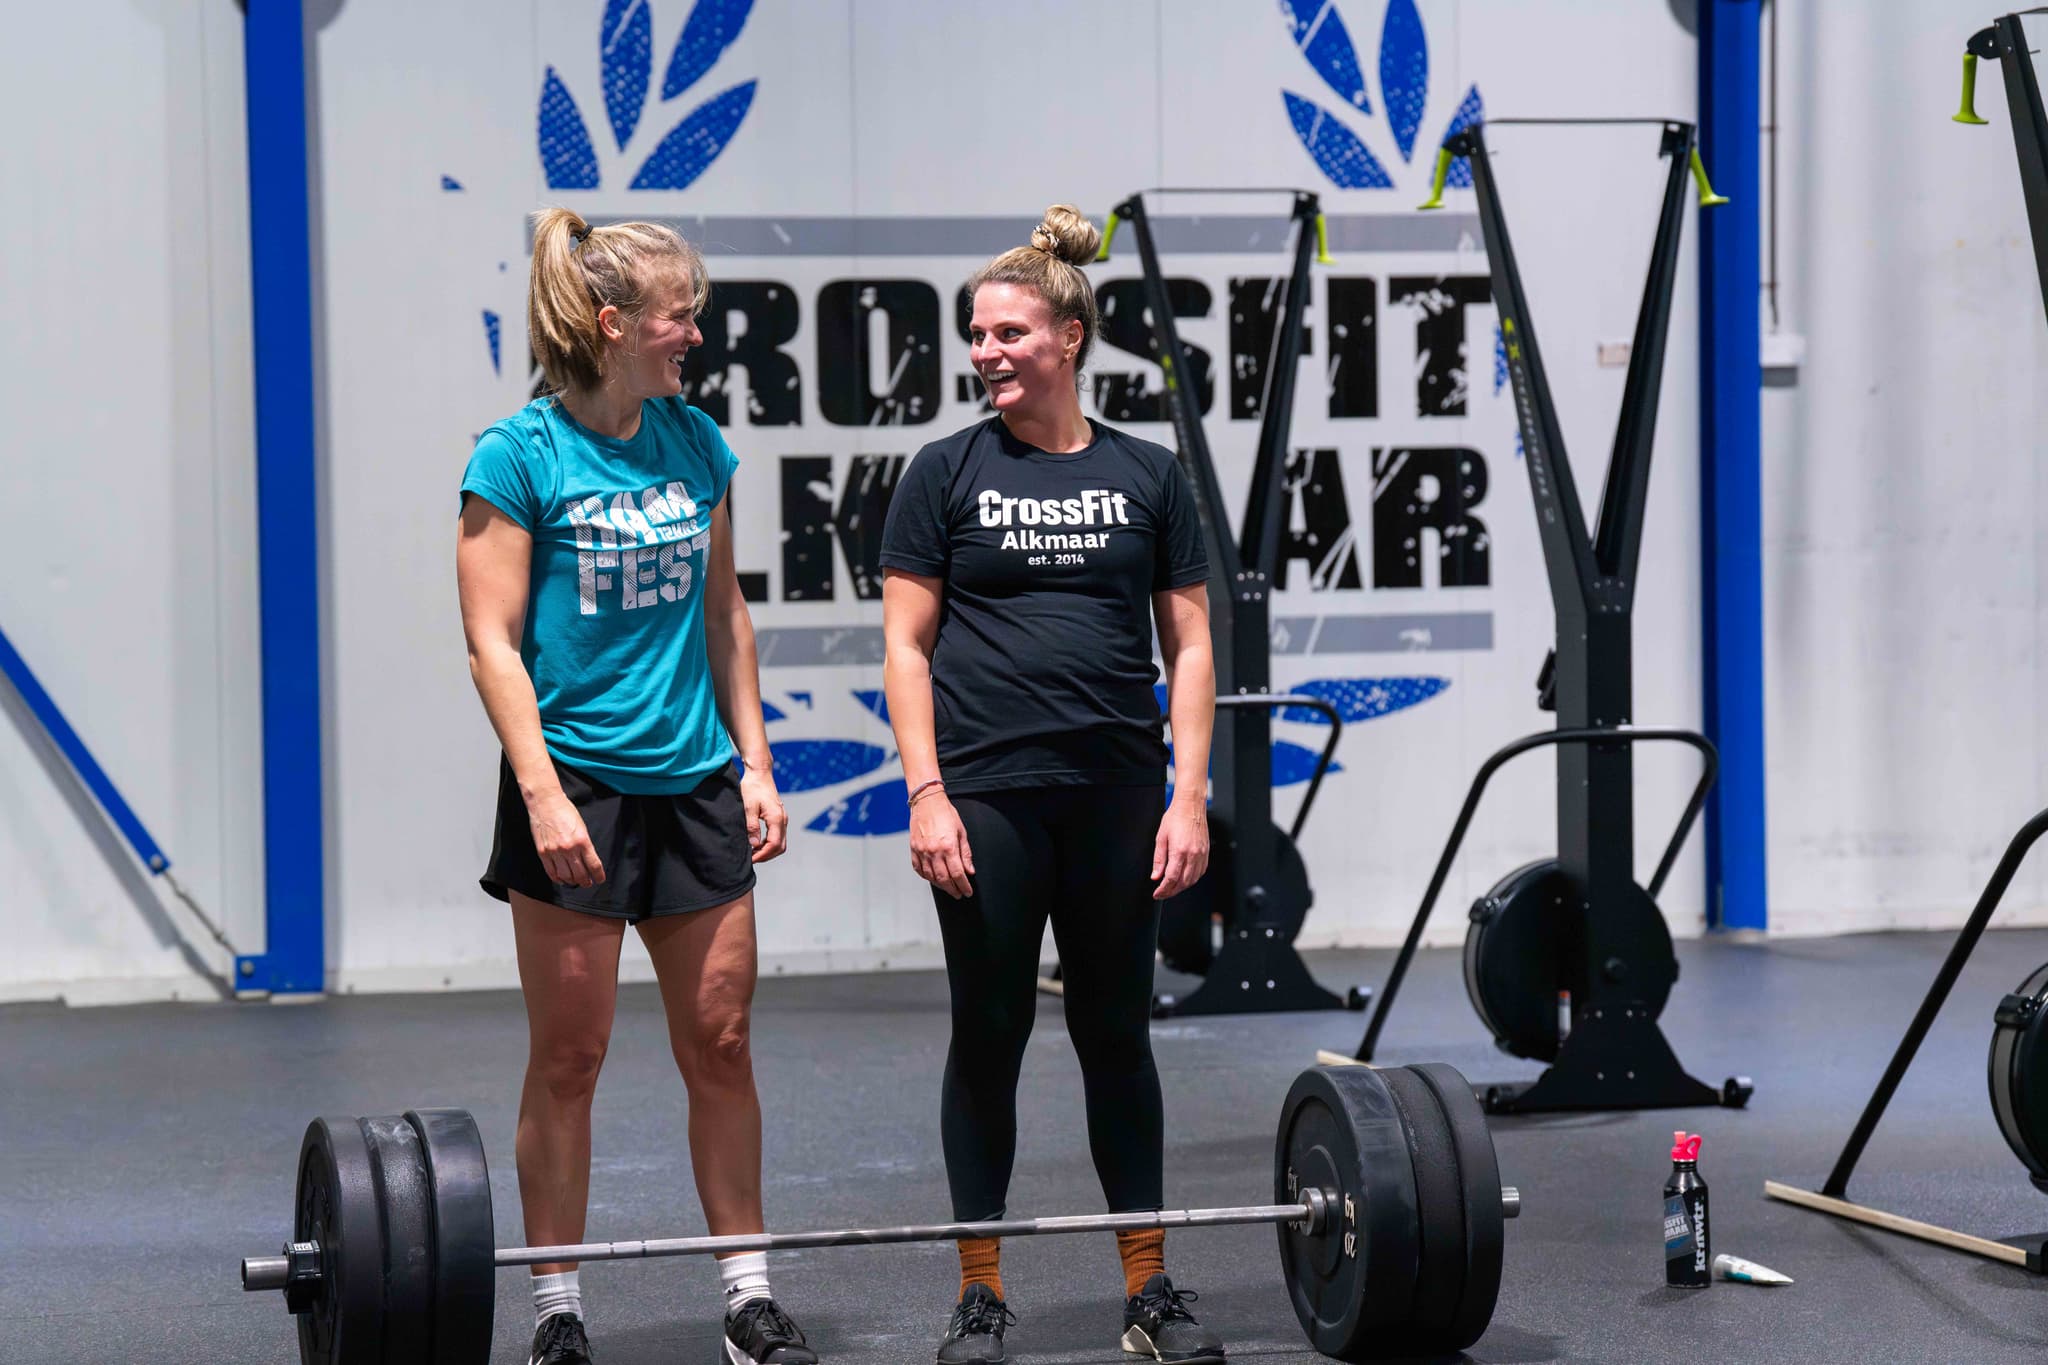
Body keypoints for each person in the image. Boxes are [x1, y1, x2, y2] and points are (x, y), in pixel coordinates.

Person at [457, 208, 816, 1365]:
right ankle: (556, 1309)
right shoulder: (516, 455)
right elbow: (491, 643)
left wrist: (754, 762)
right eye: (680, 318)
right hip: (577, 793)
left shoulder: (696, 445)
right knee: (570, 1058)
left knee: (719, 1043)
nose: (695, 337)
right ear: (612, 326)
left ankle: (747, 1298)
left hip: (695, 784)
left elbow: (724, 615)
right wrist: (545, 796)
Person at [878, 205, 1224, 1365]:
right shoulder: (945, 471)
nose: (984, 351)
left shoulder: (1147, 473)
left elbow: (1188, 646)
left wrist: (1186, 796)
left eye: (1008, 331)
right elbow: (905, 649)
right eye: (976, 333)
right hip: (986, 794)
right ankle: (979, 1296)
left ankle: (1148, 1291)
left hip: (1118, 791)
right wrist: (925, 794)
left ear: (1068, 336)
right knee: (987, 1034)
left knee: (1114, 1035)